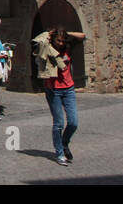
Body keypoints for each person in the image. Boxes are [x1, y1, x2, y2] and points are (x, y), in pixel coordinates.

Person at [33, 26, 85, 166]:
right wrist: (48, 34)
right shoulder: (46, 47)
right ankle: (60, 153)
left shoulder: (67, 47)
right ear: (53, 39)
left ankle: (64, 143)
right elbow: (36, 40)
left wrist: (67, 33)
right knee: (59, 123)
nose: (60, 43)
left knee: (73, 122)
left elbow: (83, 36)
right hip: (53, 90)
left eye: (62, 40)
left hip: (68, 89)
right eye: (58, 40)